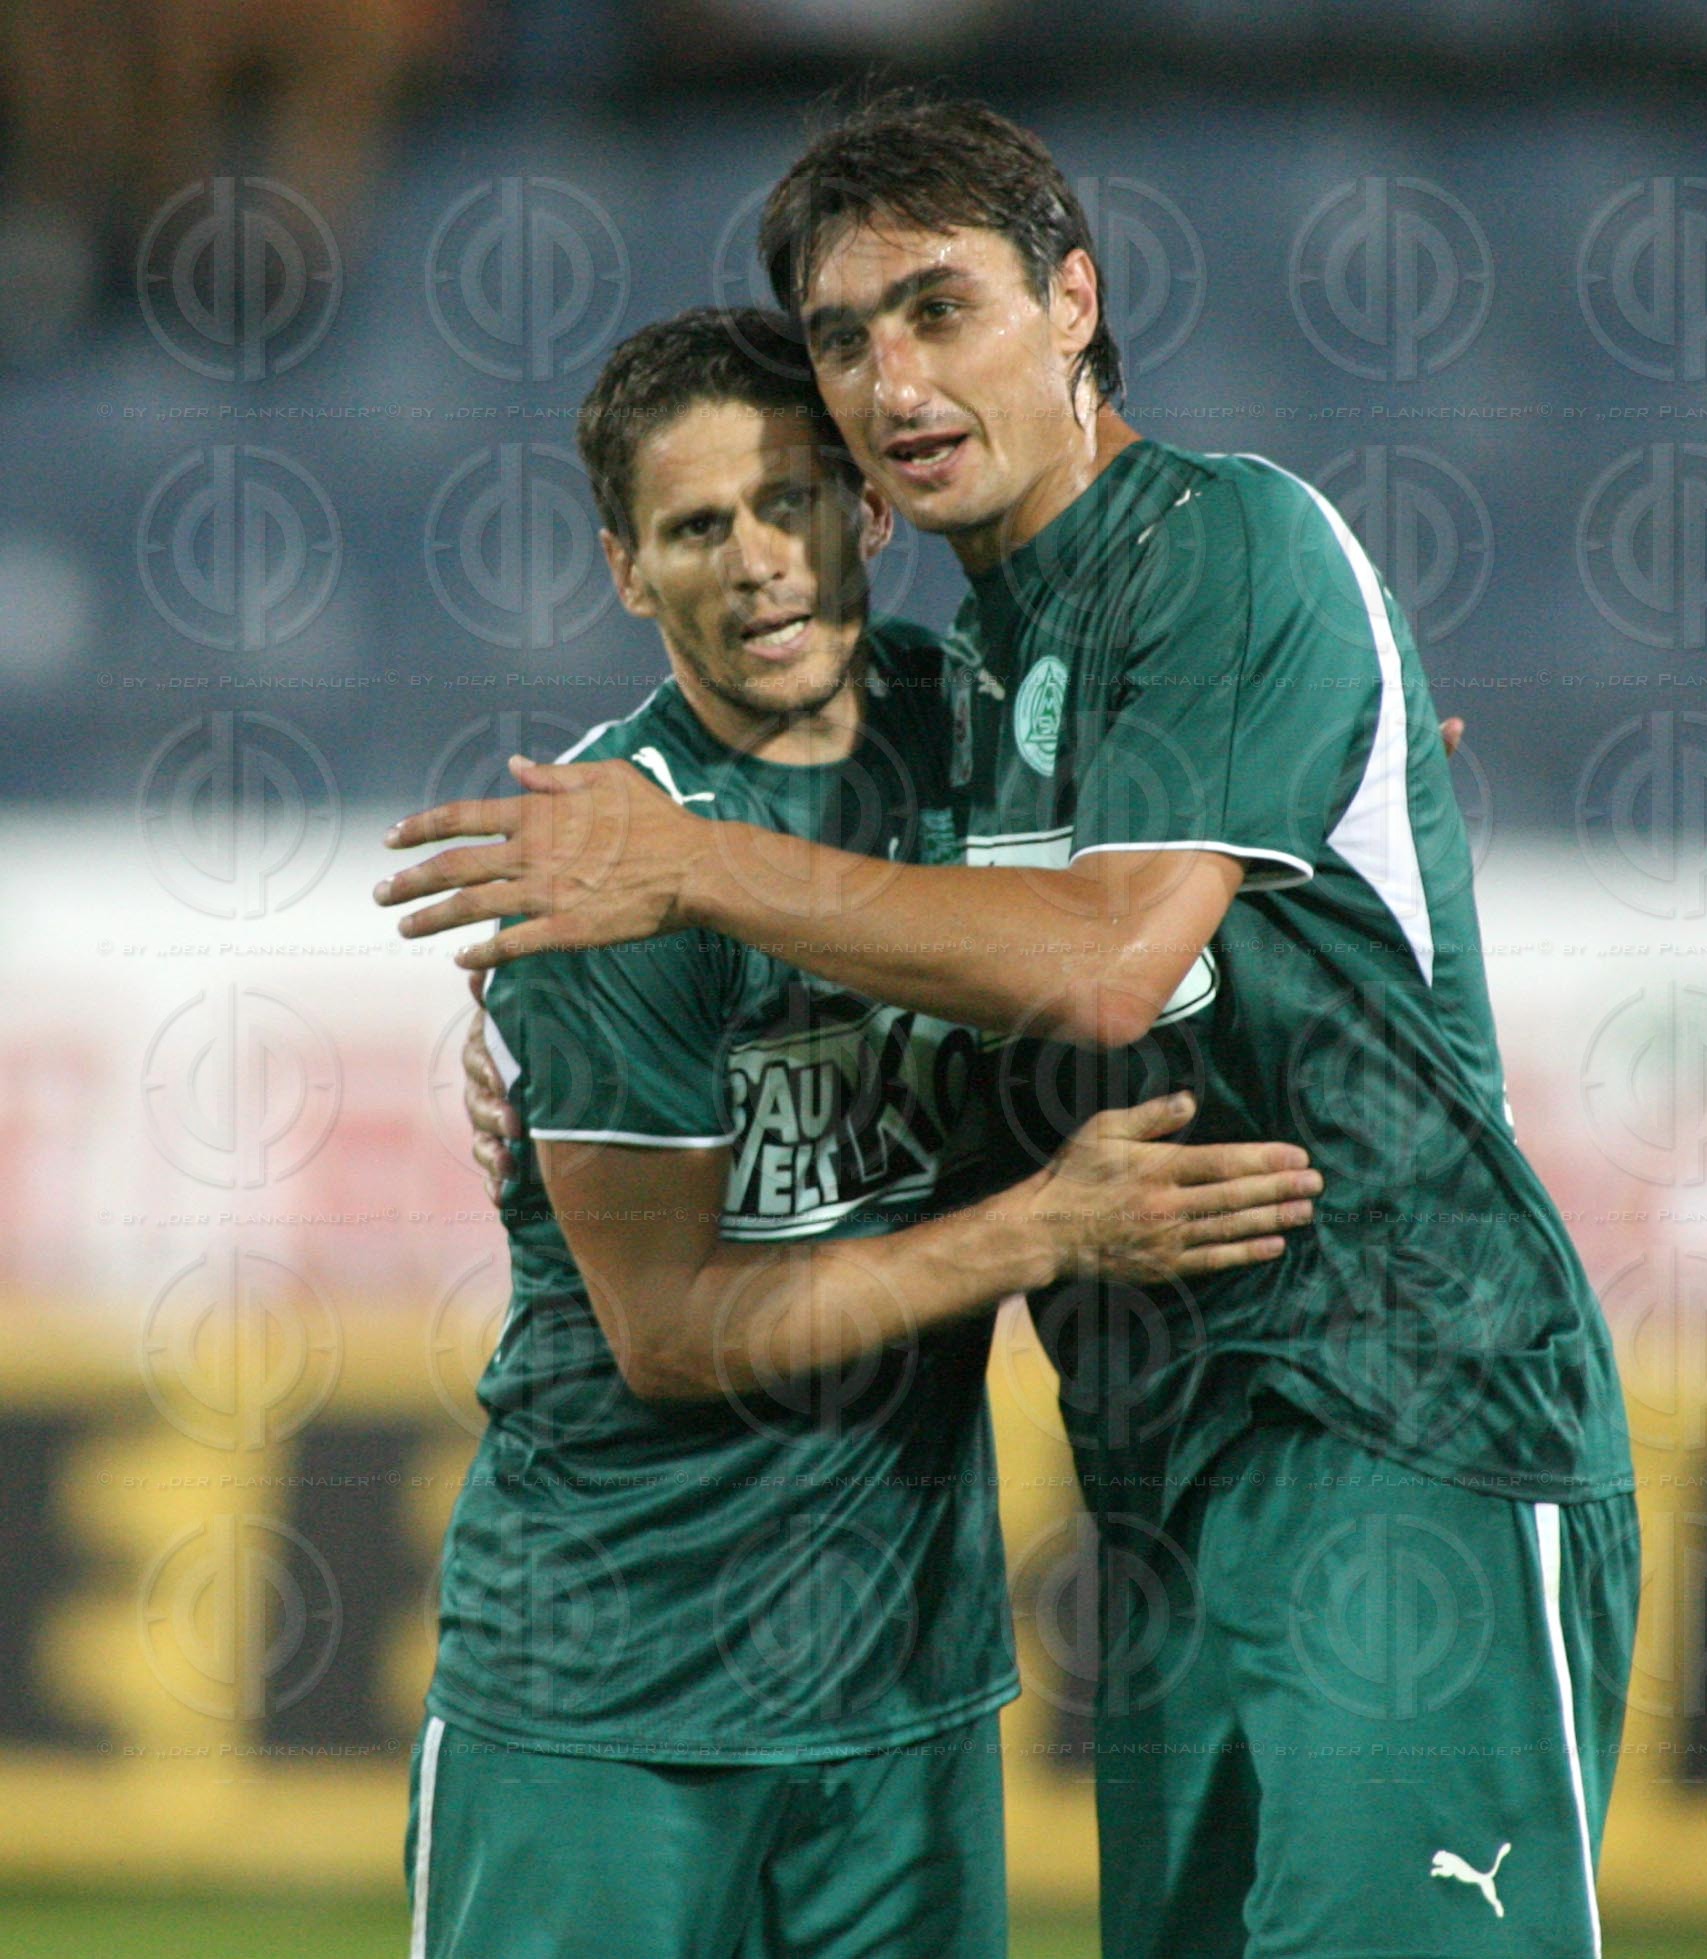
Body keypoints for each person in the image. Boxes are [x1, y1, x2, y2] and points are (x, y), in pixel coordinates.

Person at [381, 100, 1639, 1959]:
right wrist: (542, 1025)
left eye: (938, 308)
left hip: (1404, 1425)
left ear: (1073, 302)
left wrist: (690, 869)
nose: (890, 375)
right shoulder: (965, 691)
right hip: (1163, 1481)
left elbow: (1105, 965)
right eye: (841, 337)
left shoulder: (1226, 540)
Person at [401, 303, 1321, 1959]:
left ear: (869, 514)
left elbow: (1222, 792)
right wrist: (1042, 1230)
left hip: (903, 1694)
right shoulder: (608, 867)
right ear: (627, 570)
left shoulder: (986, 737)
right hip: (610, 1700)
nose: (755, 562)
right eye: (696, 527)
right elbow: (673, 1336)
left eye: (790, 504)